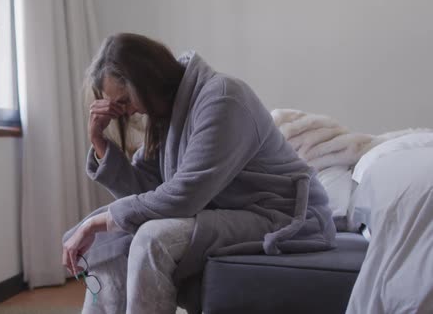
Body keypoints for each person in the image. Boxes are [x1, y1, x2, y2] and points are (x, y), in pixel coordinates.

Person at [62, 33, 336, 314]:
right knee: (113, 236)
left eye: (125, 101)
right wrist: (99, 141)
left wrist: (95, 223)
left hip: (280, 214)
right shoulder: (164, 114)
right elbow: (142, 194)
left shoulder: (222, 98)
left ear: (145, 81)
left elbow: (183, 197)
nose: (128, 112)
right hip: (227, 211)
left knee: (152, 237)